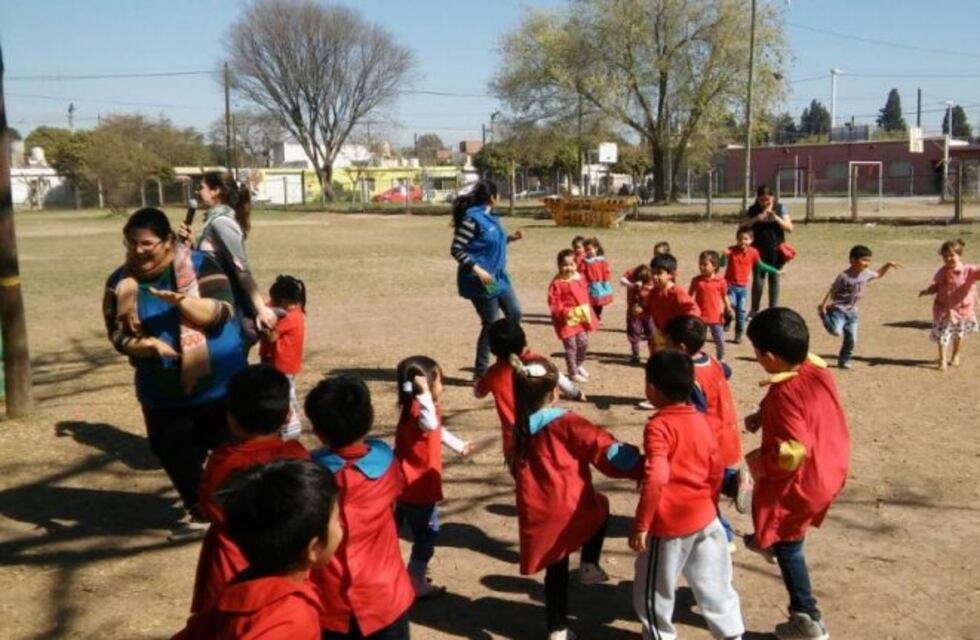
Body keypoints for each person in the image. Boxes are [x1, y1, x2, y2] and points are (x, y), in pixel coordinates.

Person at [103, 207, 246, 539]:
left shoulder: (200, 265)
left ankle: (238, 514)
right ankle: (200, 513)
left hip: (219, 385)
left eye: (147, 243)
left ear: (168, 241)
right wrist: (145, 347)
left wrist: (183, 302)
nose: (138, 251)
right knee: (174, 452)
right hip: (161, 391)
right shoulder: (119, 282)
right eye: (131, 243)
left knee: (230, 451)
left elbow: (222, 312)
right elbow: (117, 335)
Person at [508, 356, 642, 640]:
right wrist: (638, 463)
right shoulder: (566, 422)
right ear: (554, 393)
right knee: (600, 507)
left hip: (538, 508)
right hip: (570, 503)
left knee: (555, 569)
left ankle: (557, 628)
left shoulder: (518, 428)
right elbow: (602, 448)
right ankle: (589, 565)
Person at [743, 308, 850, 640]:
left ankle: (807, 617)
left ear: (770, 357)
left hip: (804, 478)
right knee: (778, 523)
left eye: (757, 352)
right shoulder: (814, 368)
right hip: (830, 462)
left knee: (789, 543)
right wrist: (762, 414)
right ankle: (767, 541)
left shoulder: (784, 394)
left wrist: (761, 466)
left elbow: (793, 451)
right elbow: (794, 399)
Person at [630, 349, 744, 640]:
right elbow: (716, 468)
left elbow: (656, 476)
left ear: (652, 389)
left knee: (653, 592)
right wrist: (710, 504)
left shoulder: (659, 426)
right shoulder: (703, 420)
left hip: (670, 524)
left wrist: (642, 524)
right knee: (716, 585)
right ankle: (732, 636)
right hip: (706, 517)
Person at [172, 459, 342, 640]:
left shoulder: (243, 587)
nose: (342, 526)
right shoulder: (289, 618)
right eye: (337, 520)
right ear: (314, 548)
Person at [190, 364, 310, 614]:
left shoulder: (223, 460)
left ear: (231, 419)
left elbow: (207, 503)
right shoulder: (297, 455)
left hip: (231, 565)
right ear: (288, 414)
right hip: (287, 564)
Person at [307, 376, 414, 639]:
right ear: (369, 417)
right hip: (385, 594)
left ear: (318, 431)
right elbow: (378, 450)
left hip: (330, 600)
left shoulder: (310, 476)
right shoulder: (387, 463)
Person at [664, 316, 751, 548]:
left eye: (667, 343)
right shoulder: (710, 360)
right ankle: (732, 481)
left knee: (703, 491)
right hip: (726, 433)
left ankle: (725, 537)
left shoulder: (689, 375)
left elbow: (697, 412)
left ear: (681, 347)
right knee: (709, 483)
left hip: (708, 441)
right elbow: (727, 371)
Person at [393, 356, 471, 599]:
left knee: (396, 529)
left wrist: (458, 445)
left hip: (401, 484)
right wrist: (425, 393)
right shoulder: (421, 410)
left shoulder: (411, 408)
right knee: (427, 535)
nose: (442, 386)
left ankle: (399, 573)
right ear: (425, 385)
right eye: (439, 381)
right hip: (419, 487)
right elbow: (430, 424)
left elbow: (436, 428)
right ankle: (414, 580)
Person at [180, 171, 278, 348]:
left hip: (231, 308)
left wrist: (261, 309)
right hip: (214, 304)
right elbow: (211, 262)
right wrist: (190, 246)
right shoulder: (213, 221)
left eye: (201, 187)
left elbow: (241, 270)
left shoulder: (221, 223)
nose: (197, 192)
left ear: (215, 191)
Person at [475, 319, 585, 462]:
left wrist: (481, 380)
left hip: (514, 443)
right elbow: (560, 378)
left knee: (522, 474)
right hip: (545, 435)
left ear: (493, 349)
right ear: (524, 340)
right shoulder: (538, 361)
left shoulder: (494, 373)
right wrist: (576, 394)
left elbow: (478, 393)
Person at [450, 180, 524, 384]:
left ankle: (507, 357)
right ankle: (481, 373)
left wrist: (510, 238)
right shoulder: (472, 219)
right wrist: (478, 270)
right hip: (480, 281)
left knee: (515, 312)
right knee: (491, 323)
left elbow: (488, 242)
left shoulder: (491, 217)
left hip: (497, 278)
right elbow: (456, 249)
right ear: (493, 197)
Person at [818, 245, 899, 370]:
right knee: (835, 331)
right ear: (852, 260)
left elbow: (878, 274)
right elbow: (832, 290)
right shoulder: (844, 276)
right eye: (864, 260)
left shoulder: (866, 274)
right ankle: (824, 316)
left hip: (852, 313)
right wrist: (823, 305)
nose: (867, 263)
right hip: (838, 310)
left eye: (869, 260)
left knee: (852, 340)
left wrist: (887, 265)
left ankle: (844, 361)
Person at [918, 239, 979, 370]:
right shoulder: (942, 271)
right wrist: (927, 291)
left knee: (958, 335)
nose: (948, 258)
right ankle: (942, 361)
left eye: (952, 255)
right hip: (943, 309)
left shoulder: (968, 270)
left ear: (959, 255)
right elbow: (937, 286)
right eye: (945, 256)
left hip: (961, 310)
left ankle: (956, 355)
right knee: (942, 336)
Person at [259, 275, 307, 438]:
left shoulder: (289, 317)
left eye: (275, 300)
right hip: (287, 362)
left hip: (282, 364)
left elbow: (272, 337)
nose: (272, 303)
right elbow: (267, 305)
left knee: (285, 396)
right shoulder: (296, 308)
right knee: (288, 392)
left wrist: (263, 328)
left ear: (284, 300)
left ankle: (290, 429)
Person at [722, 228, 779, 343]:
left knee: (741, 312)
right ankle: (727, 318)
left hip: (742, 288)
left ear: (751, 240)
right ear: (736, 239)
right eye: (740, 239)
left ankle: (738, 333)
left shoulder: (753, 252)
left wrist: (774, 270)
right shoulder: (731, 250)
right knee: (731, 305)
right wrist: (723, 256)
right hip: (730, 286)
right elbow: (721, 264)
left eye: (746, 239)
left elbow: (761, 265)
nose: (743, 241)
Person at [548, 249, 596, 383]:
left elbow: (585, 295)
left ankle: (578, 364)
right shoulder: (557, 283)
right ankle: (573, 372)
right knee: (571, 346)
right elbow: (553, 302)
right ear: (559, 265)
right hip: (566, 320)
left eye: (571, 264)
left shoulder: (579, 278)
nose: (569, 268)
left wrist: (590, 313)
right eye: (565, 265)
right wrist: (564, 312)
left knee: (583, 343)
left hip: (580, 317)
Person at [743, 185, 793, 314]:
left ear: (773, 197)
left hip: (776, 251)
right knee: (758, 281)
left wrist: (776, 218)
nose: (764, 203)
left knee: (774, 280)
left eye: (767, 199)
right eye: (761, 200)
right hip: (757, 251)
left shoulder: (780, 208)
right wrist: (756, 219)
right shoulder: (753, 210)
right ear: (757, 199)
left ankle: (773, 310)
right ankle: (754, 310)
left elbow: (789, 228)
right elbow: (743, 226)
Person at [689, 250, 734, 362]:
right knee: (699, 339)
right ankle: (698, 357)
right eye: (700, 264)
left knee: (719, 340)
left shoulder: (721, 281)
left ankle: (721, 358)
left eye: (705, 264)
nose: (701, 267)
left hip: (715, 316)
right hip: (700, 316)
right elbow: (689, 296)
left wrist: (728, 308)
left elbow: (724, 296)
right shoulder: (696, 281)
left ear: (714, 265)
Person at [620, 264, 655, 364]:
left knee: (651, 335)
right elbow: (622, 280)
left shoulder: (651, 286)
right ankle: (636, 354)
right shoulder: (633, 284)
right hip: (635, 314)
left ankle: (652, 354)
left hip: (647, 314)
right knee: (634, 335)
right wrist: (633, 285)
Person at [581, 237, 614, 320]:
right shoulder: (585, 262)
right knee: (591, 301)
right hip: (590, 285)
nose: (588, 252)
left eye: (590, 249)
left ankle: (597, 316)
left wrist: (606, 278)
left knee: (600, 301)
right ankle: (593, 316)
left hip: (601, 284)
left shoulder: (602, 260)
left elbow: (606, 270)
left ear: (596, 248)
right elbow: (582, 272)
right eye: (586, 250)